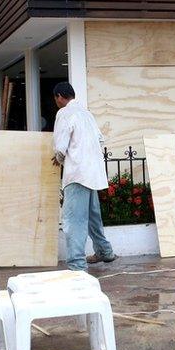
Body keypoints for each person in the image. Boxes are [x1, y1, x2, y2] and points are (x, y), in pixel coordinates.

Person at [51, 82, 116, 271]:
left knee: (73, 221)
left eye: (56, 98)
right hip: (93, 173)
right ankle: (105, 251)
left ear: (60, 96)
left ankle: (77, 264)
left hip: (77, 173)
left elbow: (60, 143)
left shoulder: (64, 113)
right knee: (93, 217)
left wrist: (58, 157)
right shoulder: (86, 114)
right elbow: (100, 139)